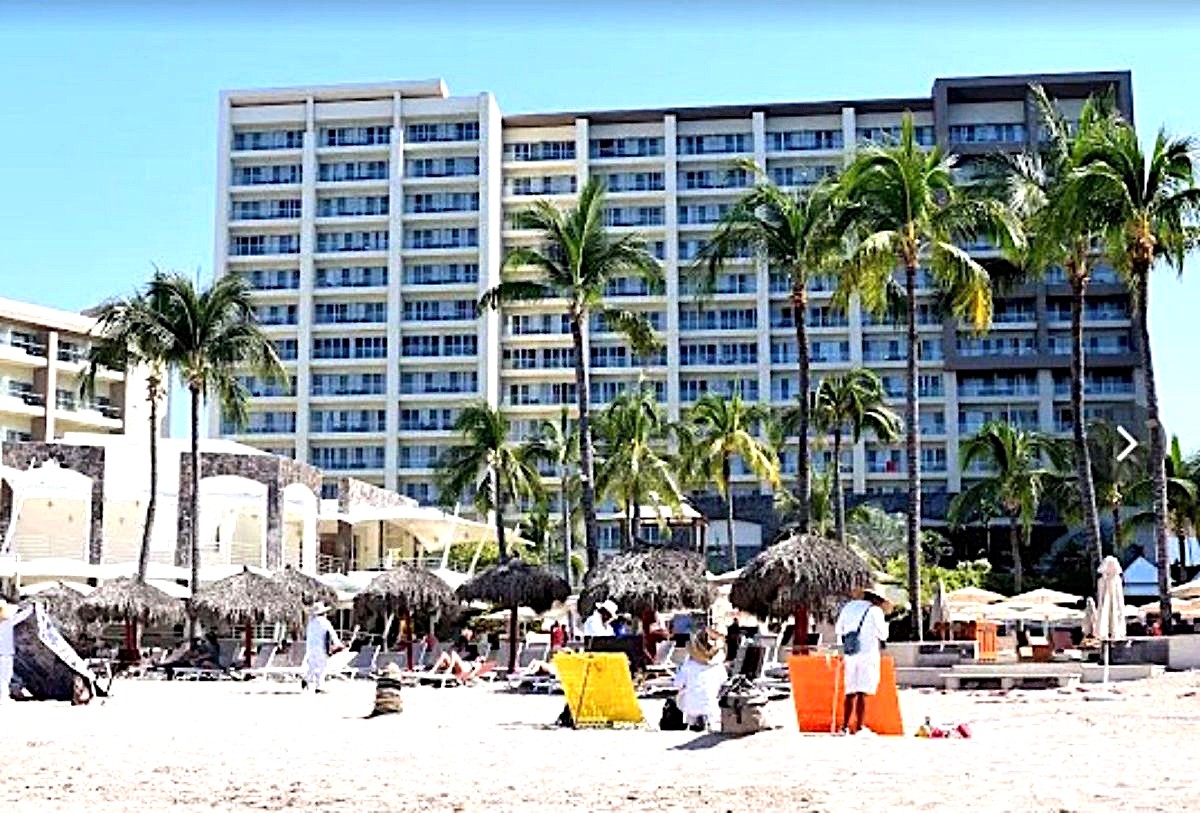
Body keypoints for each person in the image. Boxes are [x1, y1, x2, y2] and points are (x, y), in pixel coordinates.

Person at [835, 586, 891, 735]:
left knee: (850, 691)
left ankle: (844, 726)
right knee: (862, 691)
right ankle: (859, 727)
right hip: (868, 653)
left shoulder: (848, 607)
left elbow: (839, 630)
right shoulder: (875, 611)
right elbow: (883, 635)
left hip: (851, 653)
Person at [672, 627, 727, 732]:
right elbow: (724, 683)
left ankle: (693, 720)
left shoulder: (688, 666)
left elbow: (677, 684)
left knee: (682, 694)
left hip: (690, 707)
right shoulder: (719, 666)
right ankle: (706, 719)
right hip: (713, 709)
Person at [302, 602, 342, 693]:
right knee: (322, 666)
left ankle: (306, 679)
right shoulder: (325, 622)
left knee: (312, 665)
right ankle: (319, 686)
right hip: (320, 647)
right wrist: (338, 644)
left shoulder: (311, 623)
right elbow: (332, 634)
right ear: (323, 613)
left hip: (310, 648)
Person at [0, 600, 15, 704]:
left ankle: (4, 696)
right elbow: (20, 616)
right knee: (5, 677)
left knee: (5, 676)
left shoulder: (6, 621)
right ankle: (3, 697)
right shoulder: (6, 621)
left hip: (5, 652)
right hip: (4, 653)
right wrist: (30, 608)